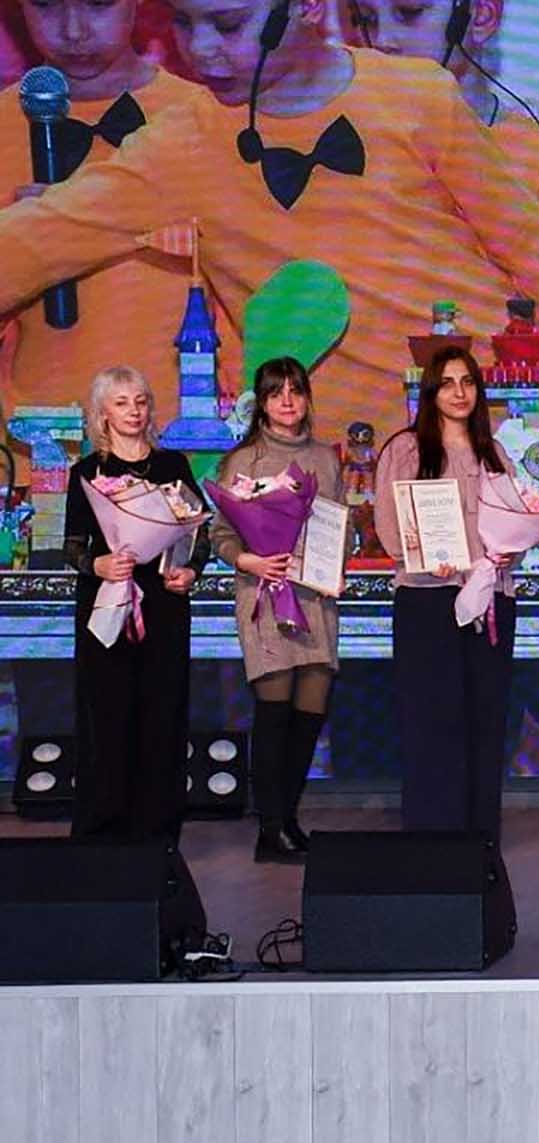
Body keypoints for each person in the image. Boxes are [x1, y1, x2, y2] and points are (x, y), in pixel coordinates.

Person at [0, 0, 539, 444]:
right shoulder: (182, 140)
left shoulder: (419, 96)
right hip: (317, 460)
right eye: (183, 22)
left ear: (308, 7)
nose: (201, 49)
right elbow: (39, 239)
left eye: (228, 24)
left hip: (483, 434)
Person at [342, 0, 539, 386]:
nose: (383, 40)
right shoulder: (353, 154)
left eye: (409, 13)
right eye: (366, 21)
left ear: (481, 15)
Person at [0, 0, 219, 413]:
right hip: (34, 428)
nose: (73, 31)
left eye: (99, 4)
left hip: (181, 426)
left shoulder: (203, 116)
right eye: (45, 5)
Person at [373, 347, 517, 838]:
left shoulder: (495, 453)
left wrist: (509, 554)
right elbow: (389, 525)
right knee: (431, 719)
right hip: (426, 598)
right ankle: (433, 836)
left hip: (489, 597)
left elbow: (520, 518)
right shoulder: (404, 449)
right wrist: (421, 557)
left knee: (485, 717)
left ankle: (480, 835)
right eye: (448, 383)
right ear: (431, 391)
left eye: (468, 382)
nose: (459, 393)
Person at [63, 365, 209, 838]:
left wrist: (191, 570)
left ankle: (158, 836)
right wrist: (98, 565)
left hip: (163, 607)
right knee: (107, 718)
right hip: (108, 608)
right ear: (102, 413)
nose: (134, 411)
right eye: (122, 402)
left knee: (161, 719)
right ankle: (102, 835)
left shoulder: (173, 466)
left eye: (141, 401)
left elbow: (198, 533)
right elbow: (72, 545)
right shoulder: (87, 473)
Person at [208, 357, 344, 861]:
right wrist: (250, 560)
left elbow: (338, 523)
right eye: (275, 392)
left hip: (315, 598)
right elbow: (221, 533)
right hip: (265, 596)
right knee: (274, 712)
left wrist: (336, 564)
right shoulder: (243, 460)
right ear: (261, 403)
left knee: (311, 711)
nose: (287, 400)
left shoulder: (325, 458)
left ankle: (288, 817)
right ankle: (270, 827)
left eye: (296, 390)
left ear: (307, 398)